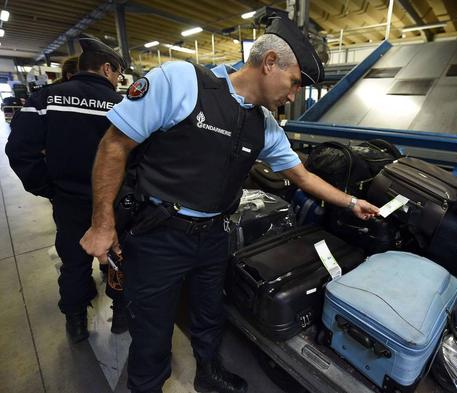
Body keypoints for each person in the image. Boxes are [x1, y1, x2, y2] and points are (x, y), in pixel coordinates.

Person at [80, 13, 380, 393]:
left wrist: (351, 201)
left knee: (209, 315)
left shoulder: (265, 125)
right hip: (159, 236)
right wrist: (102, 223)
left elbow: (301, 176)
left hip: (214, 236)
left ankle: (209, 373)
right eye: (294, 83)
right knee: (152, 329)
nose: (293, 95)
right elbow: (114, 145)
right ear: (270, 63)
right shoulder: (182, 83)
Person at [5, 34, 129, 343]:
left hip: (69, 201)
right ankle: (121, 314)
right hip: (114, 204)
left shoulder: (45, 99)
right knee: (118, 257)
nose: (117, 79)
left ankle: (75, 322)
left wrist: (48, 188)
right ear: (107, 69)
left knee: (73, 262)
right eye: (117, 72)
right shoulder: (123, 106)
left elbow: (19, 151)